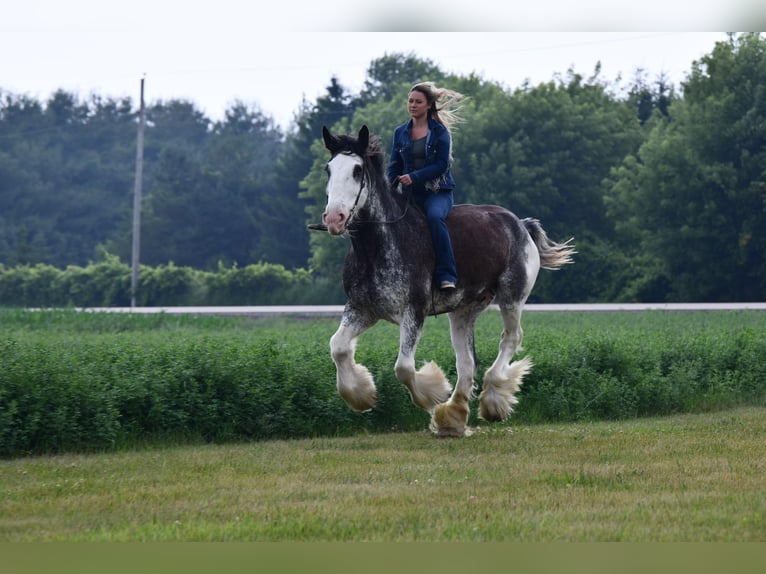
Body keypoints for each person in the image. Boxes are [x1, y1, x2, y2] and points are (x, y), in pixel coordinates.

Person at [387, 81, 464, 291]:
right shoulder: (400, 132)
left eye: (418, 102)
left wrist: (414, 176)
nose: (412, 105)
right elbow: (394, 165)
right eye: (410, 101)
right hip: (411, 195)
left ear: (428, 105)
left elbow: (441, 165)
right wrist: (389, 187)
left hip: (438, 193)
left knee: (434, 217)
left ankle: (447, 274)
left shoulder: (440, 132)